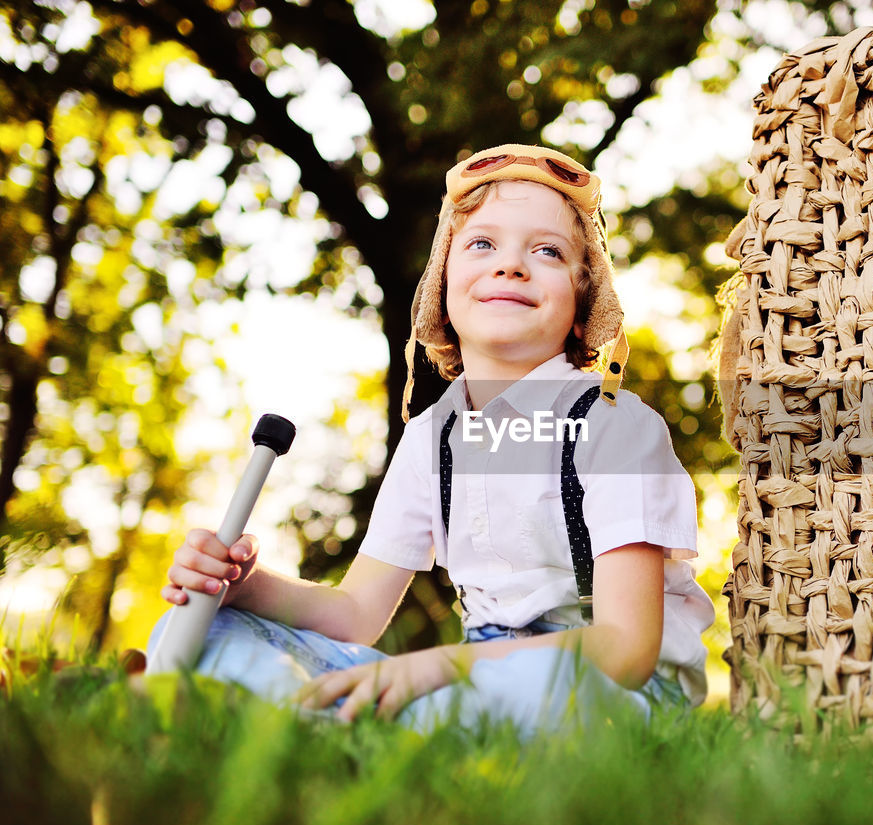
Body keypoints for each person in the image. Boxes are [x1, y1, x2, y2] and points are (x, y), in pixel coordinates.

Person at [148, 144, 715, 735]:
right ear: (443, 283)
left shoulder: (615, 426)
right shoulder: (430, 441)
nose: (511, 266)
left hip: (612, 689)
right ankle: (319, 721)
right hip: (470, 676)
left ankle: (318, 725)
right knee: (196, 629)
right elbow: (354, 615)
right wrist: (243, 587)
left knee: (480, 698)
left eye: (547, 252)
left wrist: (443, 668)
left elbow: (626, 652)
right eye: (482, 244)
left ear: (582, 306)